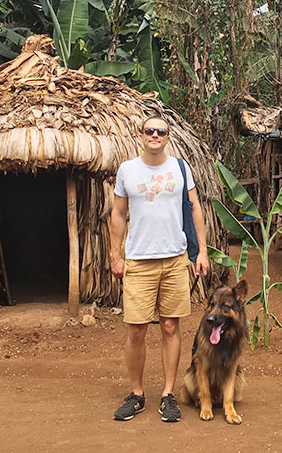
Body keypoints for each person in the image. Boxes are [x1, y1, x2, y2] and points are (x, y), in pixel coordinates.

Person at [109, 115, 210, 423]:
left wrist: (202, 251)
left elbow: (194, 209)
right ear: (141, 135)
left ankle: (167, 394)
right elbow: (117, 212)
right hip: (139, 260)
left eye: (160, 131)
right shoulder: (127, 170)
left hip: (175, 259)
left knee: (170, 327)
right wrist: (115, 254)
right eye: (149, 130)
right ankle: (137, 394)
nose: (154, 135)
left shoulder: (180, 169)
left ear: (168, 137)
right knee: (136, 330)